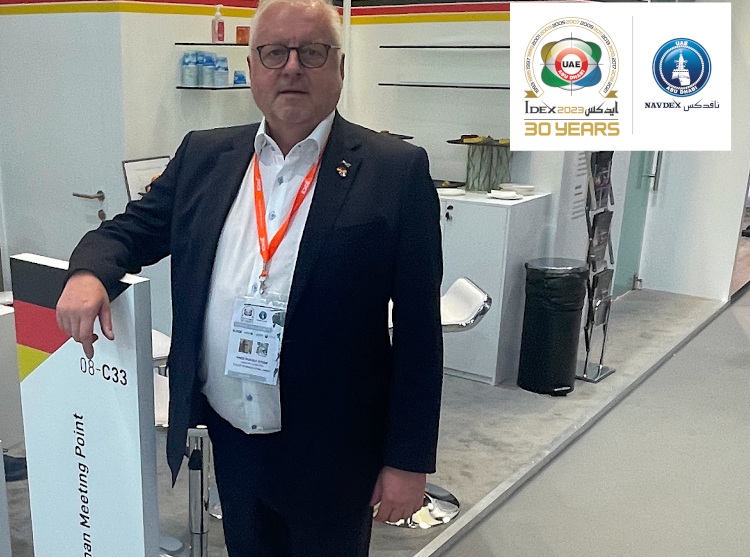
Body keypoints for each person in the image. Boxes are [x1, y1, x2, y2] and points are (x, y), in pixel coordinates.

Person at [56, 0, 443, 554]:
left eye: (312, 52)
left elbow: (419, 332)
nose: (292, 67)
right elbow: (131, 231)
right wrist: (89, 272)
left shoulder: (394, 170)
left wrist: (407, 459)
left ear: (339, 67)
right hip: (232, 437)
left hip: (334, 449)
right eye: (274, 52)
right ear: (253, 67)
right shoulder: (204, 155)